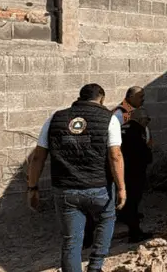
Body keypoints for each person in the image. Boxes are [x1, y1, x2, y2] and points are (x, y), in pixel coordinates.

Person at [27, 84, 127, 272]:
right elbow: (115, 155)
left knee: (71, 241)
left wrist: (32, 188)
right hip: (99, 188)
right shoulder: (109, 119)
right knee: (106, 220)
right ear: (102, 99)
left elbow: (38, 157)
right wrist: (121, 188)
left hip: (65, 190)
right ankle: (95, 267)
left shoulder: (54, 119)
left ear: (79, 98)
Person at [120, 106, 153, 242]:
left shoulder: (121, 129)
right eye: (147, 119)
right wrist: (149, 153)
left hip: (121, 171)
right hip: (134, 172)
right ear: (140, 119)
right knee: (133, 201)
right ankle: (135, 233)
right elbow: (143, 154)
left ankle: (126, 220)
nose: (148, 122)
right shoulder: (137, 131)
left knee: (126, 201)